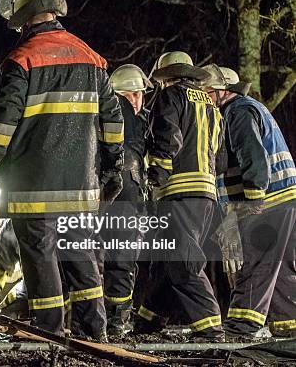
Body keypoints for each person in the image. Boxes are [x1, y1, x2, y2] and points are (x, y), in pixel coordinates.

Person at [0, 0, 124, 339]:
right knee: (82, 261)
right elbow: (113, 120)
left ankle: (50, 334)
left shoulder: (22, 59)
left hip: (32, 189)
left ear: (23, 22)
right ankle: (95, 334)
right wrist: (113, 167)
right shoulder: (92, 58)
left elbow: (2, 123)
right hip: (80, 188)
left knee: (40, 261)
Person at [134, 51, 225, 341]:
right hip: (206, 194)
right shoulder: (211, 104)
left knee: (184, 261)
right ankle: (149, 318)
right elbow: (218, 152)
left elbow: (167, 138)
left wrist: (155, 180)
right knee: (165, 257)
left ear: (165, 77)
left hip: (178, 191)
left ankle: (210, 325)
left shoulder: (171, 96)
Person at [203, 65, 296, 339]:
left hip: (266, 200)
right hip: (284, 199)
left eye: (205, 95)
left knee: (255, 262)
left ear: (219, 92)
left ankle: (241, 328)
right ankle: (288, 329)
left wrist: (250, 206)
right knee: (281, 271)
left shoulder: (237, 112)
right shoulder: (249, 108)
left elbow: (254, 159)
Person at [103, 64, 151, 335]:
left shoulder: (109, 112)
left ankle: (106, 319)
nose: (136, 100)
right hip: (124, 199)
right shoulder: (125, 114)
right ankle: (118, 321)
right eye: (130, 94)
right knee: (122, 259)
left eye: (138, 94)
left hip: (110, 197)